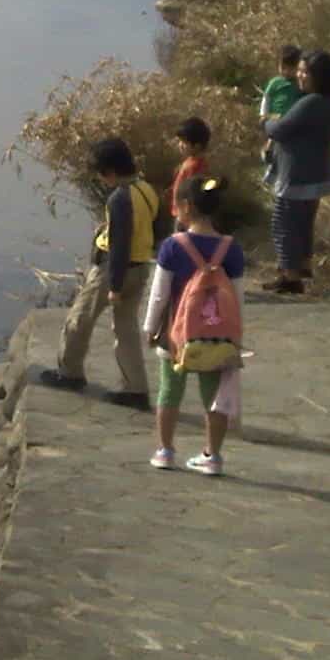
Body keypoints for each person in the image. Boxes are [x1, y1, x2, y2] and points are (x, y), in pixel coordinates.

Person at [39, 136, 164, 408]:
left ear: (110, 172)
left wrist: (115, 287)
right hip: (141, 266)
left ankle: (69, 373)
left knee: (78, 319)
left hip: (113, 270)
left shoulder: (120, 199)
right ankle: (136, 389)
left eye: (101, 174)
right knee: (126, 329)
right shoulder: (145, 189)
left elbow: (119, 244)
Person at [145, 173, 247, 474]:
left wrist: (150, 329)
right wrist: (237, 339)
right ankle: (212, 456)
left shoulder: (173, 246)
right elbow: (238, 299)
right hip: (217, 335)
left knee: (169, 392)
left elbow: (159, 294)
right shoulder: (232, 248)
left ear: (186, 206)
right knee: (213, 398)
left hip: (176, 336)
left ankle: (165, 451)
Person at [262, 48, 330, 294]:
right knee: (303, 223)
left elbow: (280, 129)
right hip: (314, 175)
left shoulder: (310, 103)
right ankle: (302, 266)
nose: (299, 76)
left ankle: (290, 276)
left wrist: (266, 121)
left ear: (319, 75)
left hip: (297, 175)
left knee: (283, 223)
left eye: (305, 72)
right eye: (299, 70)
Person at [258, 45, 302, 191]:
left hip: (290, 121)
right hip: (275, 117)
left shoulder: (299, 84)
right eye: (282, 67)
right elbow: (267, 98)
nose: (285, 71)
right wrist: (263, 115)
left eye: (290, 68)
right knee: (272, 143)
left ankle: (278, 175)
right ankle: (269, 171)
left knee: (283, 149)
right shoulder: (275, 82)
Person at [171, 116, 212, 211]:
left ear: (197, 146)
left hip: (184, 214)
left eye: (184, 142)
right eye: (179, 141)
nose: (180, 145)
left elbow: (190, 194)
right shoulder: (192, 161)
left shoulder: (194, 167)